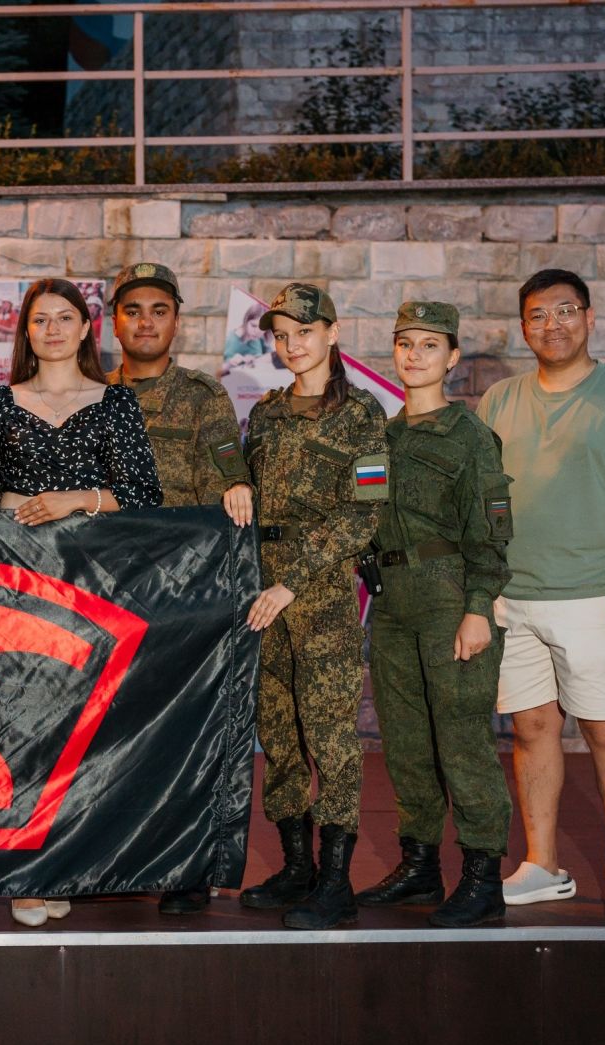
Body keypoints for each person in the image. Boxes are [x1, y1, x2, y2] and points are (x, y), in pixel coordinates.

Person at [0, 276, 162, 926]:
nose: (52, 329)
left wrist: (76, 500)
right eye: (40, 319)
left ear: (84, 328)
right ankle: (28, 871)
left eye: (64, 317)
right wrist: (17, 505)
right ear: (26, 332)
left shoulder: (116, 402)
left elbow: (144, 495)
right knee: (23, 721)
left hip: (93, 582)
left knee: (82, 725)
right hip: (20, 582)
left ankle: (66, 863)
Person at [478, 268, 605, 927]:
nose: (552, 324)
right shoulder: (499, 400)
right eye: (538, 314)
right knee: (532, 730)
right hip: (515, 597)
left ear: (589, 319)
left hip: (597, 598)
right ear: (523, 327)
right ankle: (542, 865)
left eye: (565, 311)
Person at [225, 283, 387, 931]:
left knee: (331, 737)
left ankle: (336, 882)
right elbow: (248, 496)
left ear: (332, 332)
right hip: (261, 593)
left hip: (318, 595)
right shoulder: (266, 413)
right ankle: (297, 867)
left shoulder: (362, 414)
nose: (292, 345)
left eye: (305, 332)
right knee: (280, 734)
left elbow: (364, 514)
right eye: (282, 335)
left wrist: (292, 580)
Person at [359, 302, 514, 928]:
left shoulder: (470, 436)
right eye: (405, 343)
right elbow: (365, 513)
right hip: (392, 601)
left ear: (452, 358)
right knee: (405, 742)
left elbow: (493, 533)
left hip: (449, 595)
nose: (415, 355)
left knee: (463, 740)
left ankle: (483, 877)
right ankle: (420, 865)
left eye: (430, 345)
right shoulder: (380, 436)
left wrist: (478, 608)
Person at [105, 261, 251, 916]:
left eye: (159, 310)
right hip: (103, 587)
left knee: (180, 734)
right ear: (114, 323)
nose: (146, 322)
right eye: (133, 310)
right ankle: (106, 858)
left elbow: (229, 485)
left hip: (179, 590)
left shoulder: (201, 396)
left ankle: (186, 866)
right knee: (108, 733)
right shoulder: (88, 393)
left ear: (176, 321)